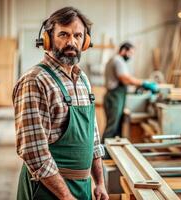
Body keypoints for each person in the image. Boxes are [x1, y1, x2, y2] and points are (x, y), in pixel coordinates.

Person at [13, 7, 108, 200]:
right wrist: (65, 196)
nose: (71, 42)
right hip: (46, 189)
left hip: (82, 187)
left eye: (78, 35)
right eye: (63, 34)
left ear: (85, 42)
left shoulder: (83, 80)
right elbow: (34, 152)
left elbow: (93, 138)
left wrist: (99, 182)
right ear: (47, 39)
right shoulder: (35, 81)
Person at [102, 42, 158, 143]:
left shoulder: (116, 60)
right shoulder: (117, 60)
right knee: (112, 127)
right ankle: (103, 153)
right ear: (123, 51)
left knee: (116, 127)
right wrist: (143, 83)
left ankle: (111, 151)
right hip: (114, 96)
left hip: (116, 95)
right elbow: (125, 79)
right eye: (130, 53)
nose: (131, 56)